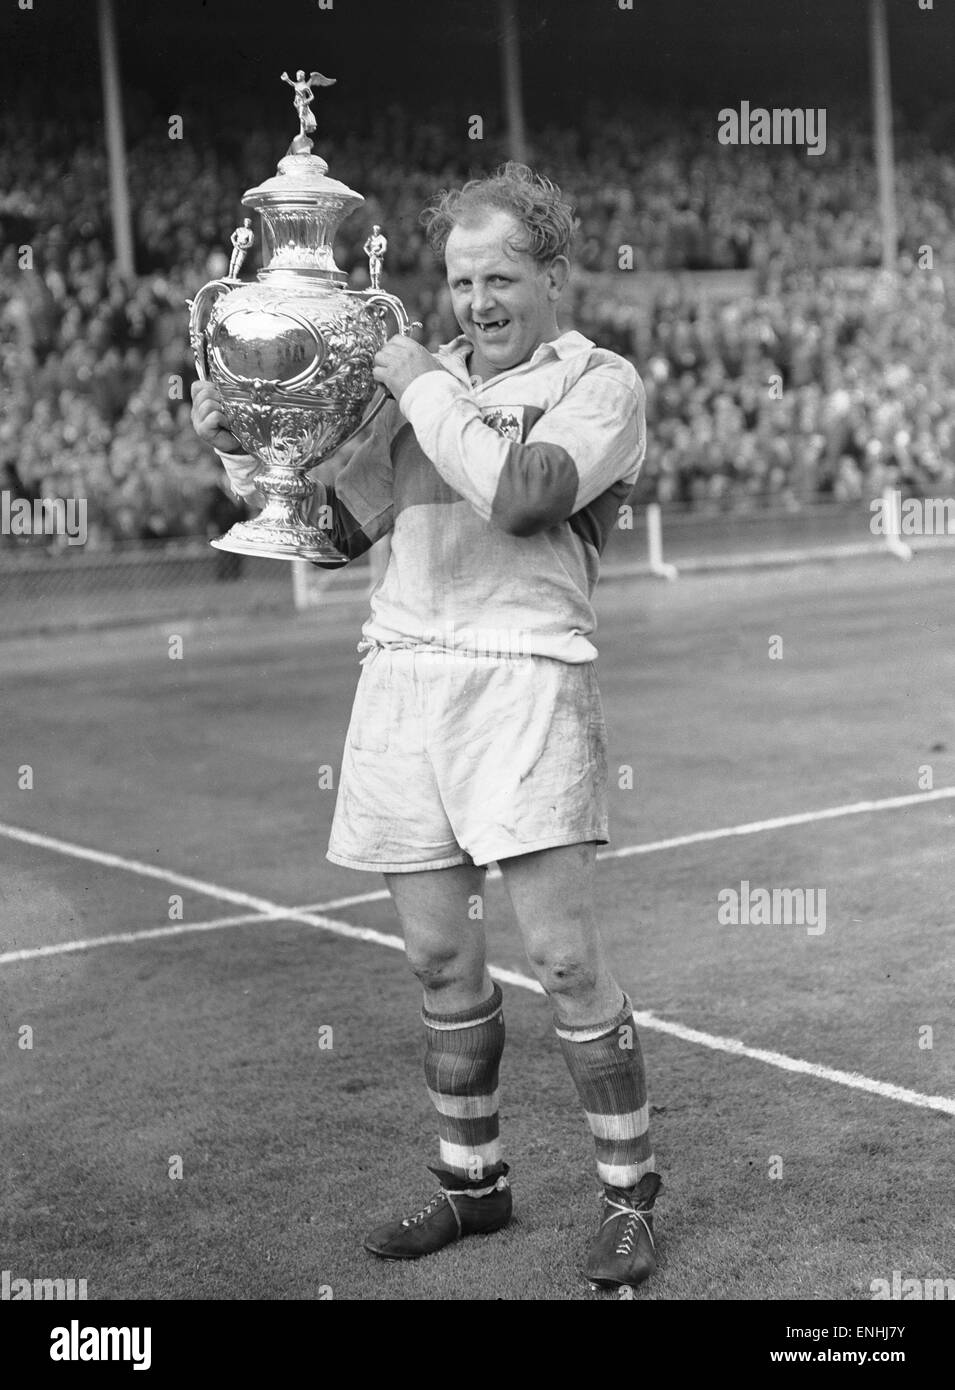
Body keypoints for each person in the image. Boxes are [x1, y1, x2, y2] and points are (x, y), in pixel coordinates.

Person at [190, 162, 661, 1290]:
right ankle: (473, 1184)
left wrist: (414, 381)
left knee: (559, 956)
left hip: (524, 680)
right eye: (459, 279)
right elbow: (329, 527)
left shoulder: (598, 383)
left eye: (500, 276)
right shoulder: (415, 386)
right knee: (440, 958)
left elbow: (524, 494)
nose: (477, 300)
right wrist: (235, 439)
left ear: (552, 275)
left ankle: (629, 1195)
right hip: (402, 683)